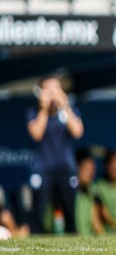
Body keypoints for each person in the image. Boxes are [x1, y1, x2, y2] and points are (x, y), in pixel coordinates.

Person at [26, 74, 84, 234]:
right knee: (39, 210)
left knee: (69, 209)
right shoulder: (34, 111)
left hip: (66, 167)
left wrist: (65, 106)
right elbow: (36, 134)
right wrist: (44, 109)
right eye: (49, 89)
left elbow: (78, 131)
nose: (52, 93)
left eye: (56, 88)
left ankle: (72, 239)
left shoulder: (67, 111)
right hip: (43, 167)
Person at [74, 148, 103, 236]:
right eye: (87, 169)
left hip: (88, 239)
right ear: (77, 167)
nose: (91, 174)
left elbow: (96, 220)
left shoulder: (93, 189)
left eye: (93, 169)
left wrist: (102, 237)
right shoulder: (66, 190)